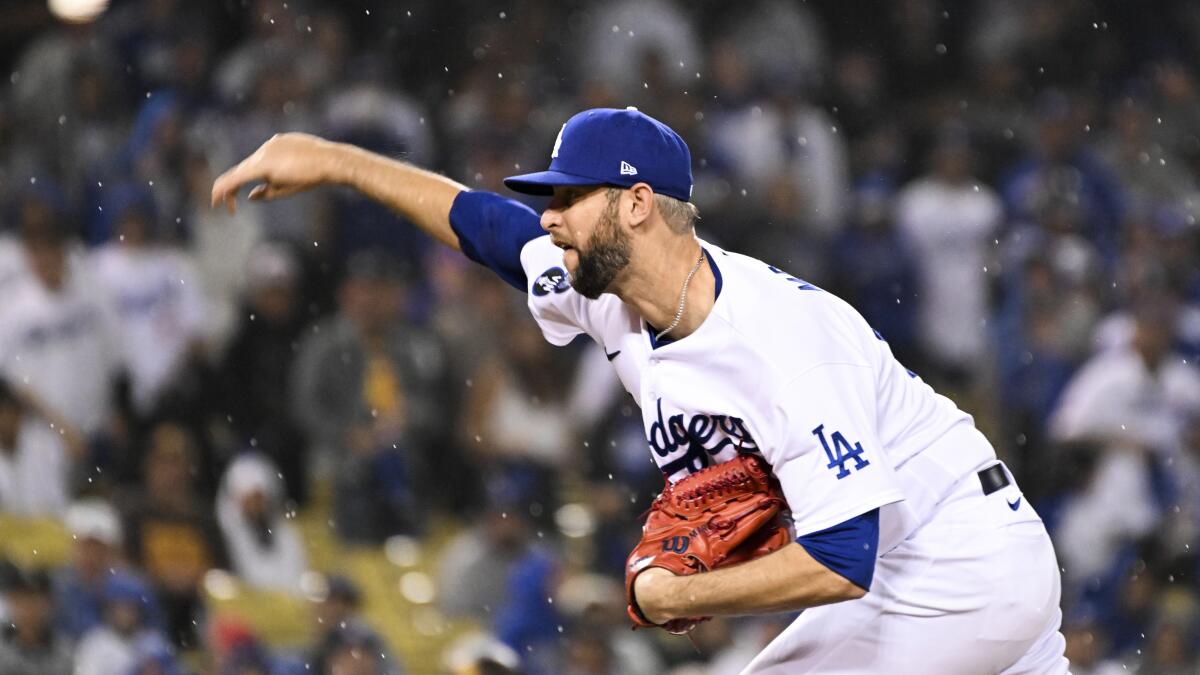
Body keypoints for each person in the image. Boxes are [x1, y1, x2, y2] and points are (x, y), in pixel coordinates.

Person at [212, 107, 1069, 672]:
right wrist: (333, 160)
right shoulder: (601, 287)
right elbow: (483, 227)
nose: (549, 216)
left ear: (635, 205)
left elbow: (844, 561)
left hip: (957, 558)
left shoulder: (783, 344)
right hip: (924, 563)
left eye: (567, 198)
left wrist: (677, 594)